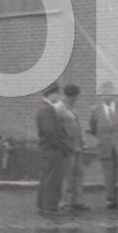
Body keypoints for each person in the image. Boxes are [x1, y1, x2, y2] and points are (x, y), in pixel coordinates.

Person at [88, 81, 118, 211]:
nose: (106, 96)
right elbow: (93, 128)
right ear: (100, 96)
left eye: (109, 93)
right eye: (103, 94)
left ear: (114, 94)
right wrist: (103, 138)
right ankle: (111, 200)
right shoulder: (95, 110)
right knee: (108, 175)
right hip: (104, 146)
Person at [35, 83, 70, 214]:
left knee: (46, 176)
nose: (59, 97)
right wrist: (62, 147)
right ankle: (50, 206)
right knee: (53, 178)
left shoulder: (41, 107)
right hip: (52, 148)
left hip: (47, 147)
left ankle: (42, 204)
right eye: (57, 94)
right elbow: (51, 132)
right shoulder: (47, 109)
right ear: (52, 94)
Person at [56, 83, 89, 211]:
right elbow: (56, 128)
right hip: (67, 148)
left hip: (77, 147)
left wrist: (81, 142)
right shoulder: (59, 108)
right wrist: (62, 143)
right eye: (73, 97)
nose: (74, 99)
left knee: (79, 174)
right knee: (66, 176)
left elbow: (76, 126)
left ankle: (78, 201)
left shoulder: (71, 108)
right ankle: (63, 202)